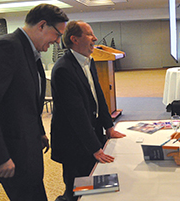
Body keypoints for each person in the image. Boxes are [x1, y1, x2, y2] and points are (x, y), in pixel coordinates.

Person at [0, 4, 68, 201]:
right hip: (11, 153)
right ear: (42, 26)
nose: (57, 41)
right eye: (57, 34)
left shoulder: (30, 50)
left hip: (28, 146)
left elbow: (26, 100)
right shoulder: (7, 47)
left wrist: (39, 131)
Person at [50, 20, 126, 201]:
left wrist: (109, 127)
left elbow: (98, 96)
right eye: (90, 34)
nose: (95, 38)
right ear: (74, 39)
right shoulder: (63, 69)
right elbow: (75, 114)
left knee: (93, 183)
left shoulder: (89, 61)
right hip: (73, 142)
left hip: (90, 133)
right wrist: (95, 147)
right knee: (77, 189)